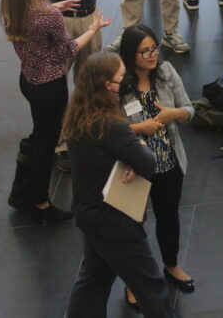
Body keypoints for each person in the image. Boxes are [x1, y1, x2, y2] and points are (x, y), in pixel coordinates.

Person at [0, 0, 112, 221]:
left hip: (29, 79)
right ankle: (38, 201)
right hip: (50, 86)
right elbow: (69, 49)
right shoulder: (47, 16)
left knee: (40, 133)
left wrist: (54, 7)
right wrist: (92, 29)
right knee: (46, 143)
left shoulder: (10, 1)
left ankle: (22, 193)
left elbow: (37, 16)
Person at [63, 52, 175, 318]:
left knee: (92, 280)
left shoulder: (79, 115)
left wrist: (127, 158)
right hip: (115, 220)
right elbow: (148, 163)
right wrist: (138, 145)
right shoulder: (111, 124)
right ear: (105, 84)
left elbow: (103, 156)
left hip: (89, 212)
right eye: (120, 77)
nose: (124, 81)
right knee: (150, 286)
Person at [117, 24, 196, 310]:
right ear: (131, 54)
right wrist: (141, 126)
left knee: (168, 217)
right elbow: (111, 128)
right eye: (144, 51)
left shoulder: (166, 73)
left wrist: (174, 113)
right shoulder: (119, 82)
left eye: (154, 49)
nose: (152, 55)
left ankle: (172, 266)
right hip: (135, 166)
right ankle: (132, 281)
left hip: (169, 162)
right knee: (133, 226)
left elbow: (189, 109)